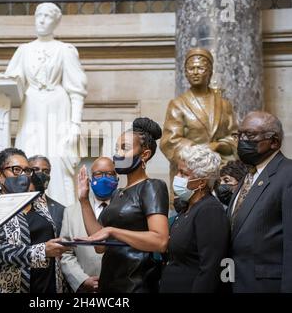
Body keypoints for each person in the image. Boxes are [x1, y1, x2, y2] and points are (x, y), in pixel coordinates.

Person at [5, 2, 87, 208]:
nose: (41, 20)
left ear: (56, 21)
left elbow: (76, 90)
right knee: (26, 154)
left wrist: (75, 125)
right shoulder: (23, 51)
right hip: (31, 108)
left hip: (58, 109)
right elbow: (10, 83)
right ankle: (24, 208)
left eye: (47, 16)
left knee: (58, 160)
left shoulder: (65, 50)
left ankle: (61, 211)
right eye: (38, 15)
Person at [78, 117, 169, 293]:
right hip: (109, 283)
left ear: (145, 155)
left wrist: (113, 231)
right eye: (116, 148)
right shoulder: (118, 193)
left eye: (124, 148)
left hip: (136, 284)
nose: (117, 154)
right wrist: (84, 200)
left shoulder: (152, 187)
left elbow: (160, 241)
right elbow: (100, 246)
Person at [0, 148, 70, 293]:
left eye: (26, 170)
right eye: (16, 170)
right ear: (0, 175)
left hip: (49, 286)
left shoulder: (39, 205)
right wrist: (41, 251)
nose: (23, 176)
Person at [229, 111, 292, 293]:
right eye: (239, 135)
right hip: (237, 281)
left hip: (268, 285)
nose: (242, 140)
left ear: (274, 142)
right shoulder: (248, 176)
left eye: (250, 135)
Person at [160, 48, 238, 199]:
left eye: (200, 68)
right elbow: (169, 141)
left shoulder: (223, 104)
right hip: (189, 178)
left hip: (221, 177)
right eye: (191, 68)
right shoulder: (178, 104)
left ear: (209, 71)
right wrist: (202, 153)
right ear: (186, 72)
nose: (195, 72)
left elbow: (234, 137)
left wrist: (218, 145)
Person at [159, 145, 230, 293]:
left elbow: (210, 269)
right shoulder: (187, 208)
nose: (177, 177)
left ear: (201, 182)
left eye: (183, 173)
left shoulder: (210, 210)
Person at [60, 157, 117, 293]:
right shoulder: (71, 212)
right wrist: (82, 280)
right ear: (90, 179)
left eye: (109, 174)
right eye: (98, 174)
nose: (104, 179)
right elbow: (66, 252)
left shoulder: (128, 210)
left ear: (117, 178)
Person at [29, 155, 65, 236]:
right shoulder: (18, 204)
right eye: (36, 170)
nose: (41, 173)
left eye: (46, 171)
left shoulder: (61, 210)